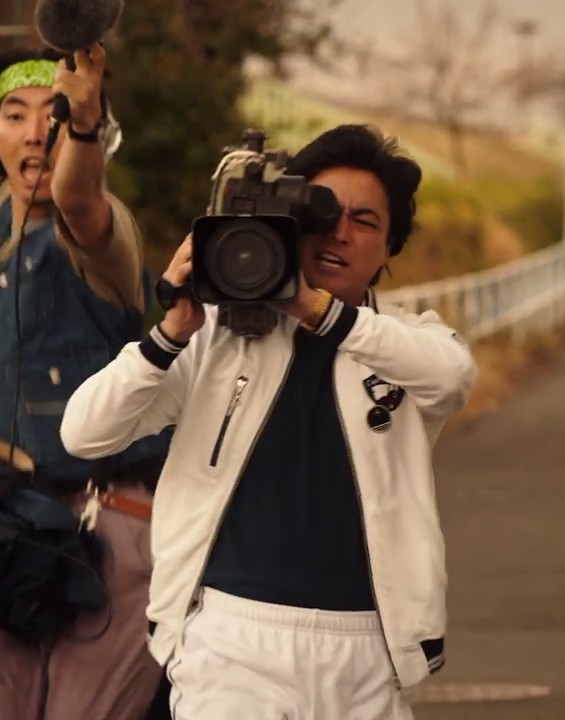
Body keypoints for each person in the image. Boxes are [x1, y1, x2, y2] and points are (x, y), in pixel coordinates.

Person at [61, 124, 478, 720]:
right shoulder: (214, 339)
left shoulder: (406, 344)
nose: (339, 232)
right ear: (289, 220)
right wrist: (169, 334)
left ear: (389, 248)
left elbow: (453, 376)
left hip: (366, 644)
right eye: (322, 212)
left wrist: (312, 307)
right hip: (230, 638)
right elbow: (84, 433)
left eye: (364, 221)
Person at [0, 43, 170, 720]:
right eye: (15, 116)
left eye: (55, 116)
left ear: (94, 134)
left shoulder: (103, 232)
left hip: (107, 533)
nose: (36, 132)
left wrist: (82, 121)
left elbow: (75, 193)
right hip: (12, 529)